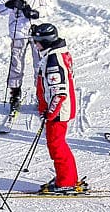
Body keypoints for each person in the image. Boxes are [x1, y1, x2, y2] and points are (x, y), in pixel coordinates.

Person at [0, 0, 56, 123]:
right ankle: (15, 95)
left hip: (37, 32)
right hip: (18, 32)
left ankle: (42, 96)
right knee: (16, 64)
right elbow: (0, 8)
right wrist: (11, 3)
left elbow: (50, 7)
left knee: (40, 64)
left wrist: (36, 13)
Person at [30, 22, 85, 194]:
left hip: (59, 110)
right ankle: (67, 176)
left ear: (46, 41)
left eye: (37, 41)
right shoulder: (55, 54)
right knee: (58, 144)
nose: (35, 44)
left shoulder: (53, 60)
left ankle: (66, 181)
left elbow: (59, 92)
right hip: (60, 108)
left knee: (56, 145)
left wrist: (50, 113)